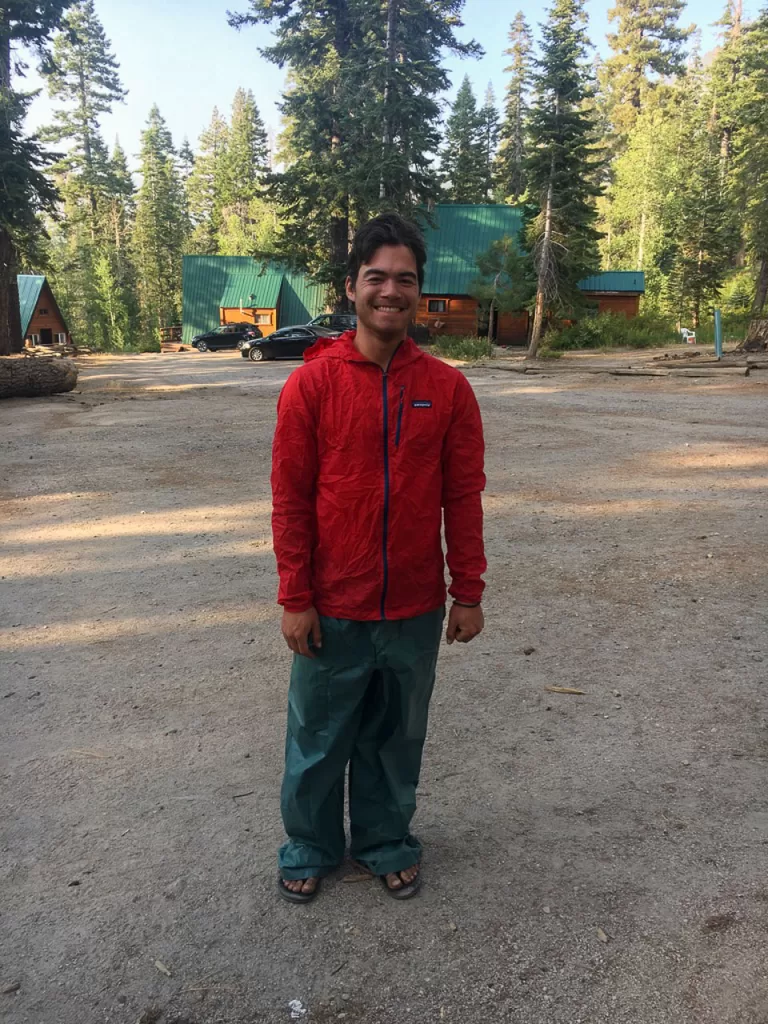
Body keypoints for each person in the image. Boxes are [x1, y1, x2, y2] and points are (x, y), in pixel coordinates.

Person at [271, 212, 486, 904]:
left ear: (419, 292)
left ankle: (386, 841)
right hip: (333, 604)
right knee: (317, 739)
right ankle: (309, 846)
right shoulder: (311, 386)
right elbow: (291, 500)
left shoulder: (449, 389)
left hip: (415, 608)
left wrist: (469, 590)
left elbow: (464, 495)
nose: (390, 291)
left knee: (396, 739)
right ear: (351, 287)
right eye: (377, 278)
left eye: (404, 279)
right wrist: (295, 597)